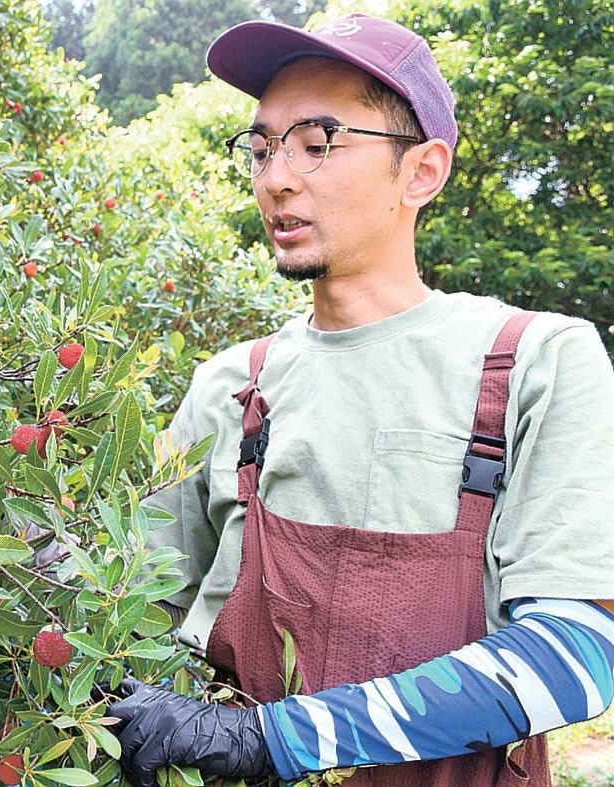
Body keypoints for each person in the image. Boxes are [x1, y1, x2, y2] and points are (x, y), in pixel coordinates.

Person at [100, 13, 614, 787]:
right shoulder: (230, 386)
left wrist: (268, 738)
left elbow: (575, 653)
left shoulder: (534, 362)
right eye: (263, 146)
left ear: (423, 172)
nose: (275, 177)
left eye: (318, 143)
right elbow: (131, 615)